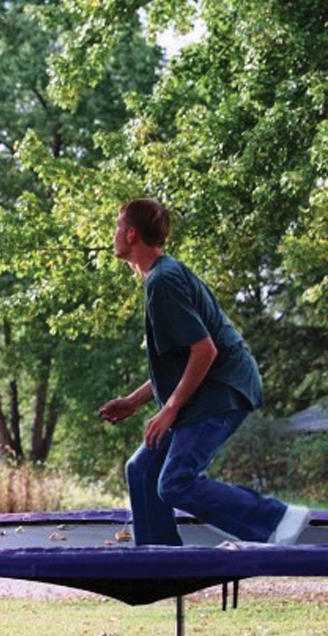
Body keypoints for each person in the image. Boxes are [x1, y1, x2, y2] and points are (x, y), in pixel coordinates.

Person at [99, 198, 310, 546]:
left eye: (117, 227)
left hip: (222, 390)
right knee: (142, 469)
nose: (114, 234)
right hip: (205, 388)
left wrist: (169, 409)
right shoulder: (160, 277)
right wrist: (134, 402)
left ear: (132, 234)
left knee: (175, 482)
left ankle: (277, 517)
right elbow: (182, 361)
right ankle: (160, 557)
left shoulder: (163, 282)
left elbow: (204, 351)